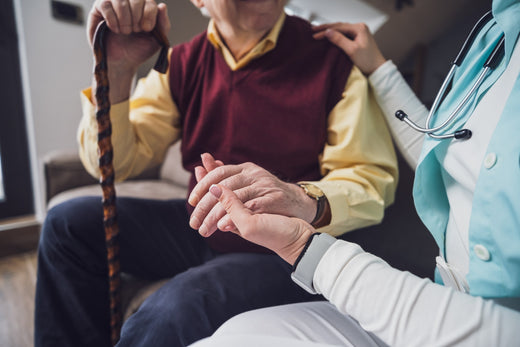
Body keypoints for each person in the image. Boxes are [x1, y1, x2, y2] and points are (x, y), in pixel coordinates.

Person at [34, 0, 399, 346]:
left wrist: (299, 199)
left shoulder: (333, 60)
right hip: (203, 225)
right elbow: (112, 164)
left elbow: (370, 181)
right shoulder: (181, 62)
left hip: (283, 250)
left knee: (173, 311)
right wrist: (117, 72)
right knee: (67, 224)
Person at [190, 0, 520, 345]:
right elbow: (444, 152)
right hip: (443, 295)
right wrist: (380, 69)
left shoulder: (327, 65)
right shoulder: (497, 28)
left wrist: (303, 243)